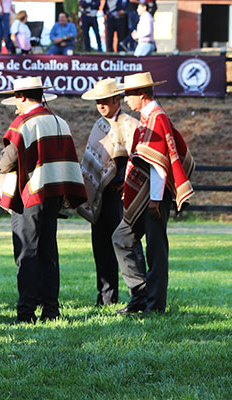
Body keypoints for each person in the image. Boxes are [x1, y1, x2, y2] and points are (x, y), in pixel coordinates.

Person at [0, 76, 86, 324]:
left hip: (30, 195)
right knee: (48, 253)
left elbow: (8, 158)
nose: (15, 104)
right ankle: (51, 311)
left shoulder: (24, 122)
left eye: (16, 98)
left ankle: (26, 313)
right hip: (54, 194)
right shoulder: (60, 121)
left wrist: (1, 175)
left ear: (22, 97)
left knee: (27, 253)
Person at [112, 72, 195, 315]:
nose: (126, 99)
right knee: (122, 238)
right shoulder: (149, 117)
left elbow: (159, 164)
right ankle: (140, 295)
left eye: (128, 94)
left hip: (154, 197)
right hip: (147, 195)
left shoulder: (156, 118)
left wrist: (156, 200)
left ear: (141, 94)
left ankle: (154, 305)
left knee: (155, 250)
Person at [78, 78, 142, 306]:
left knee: (125, 245)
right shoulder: (99, 125)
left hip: (120, 197)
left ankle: (139, 295)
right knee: (101, 247)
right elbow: (91, 162)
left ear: (117, 99)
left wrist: (125, 179)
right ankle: (106, 297)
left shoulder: (129, 124)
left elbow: (139, 157)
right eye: (98, 102)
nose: (101, 105)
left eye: (105, 101)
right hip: (99, 197)